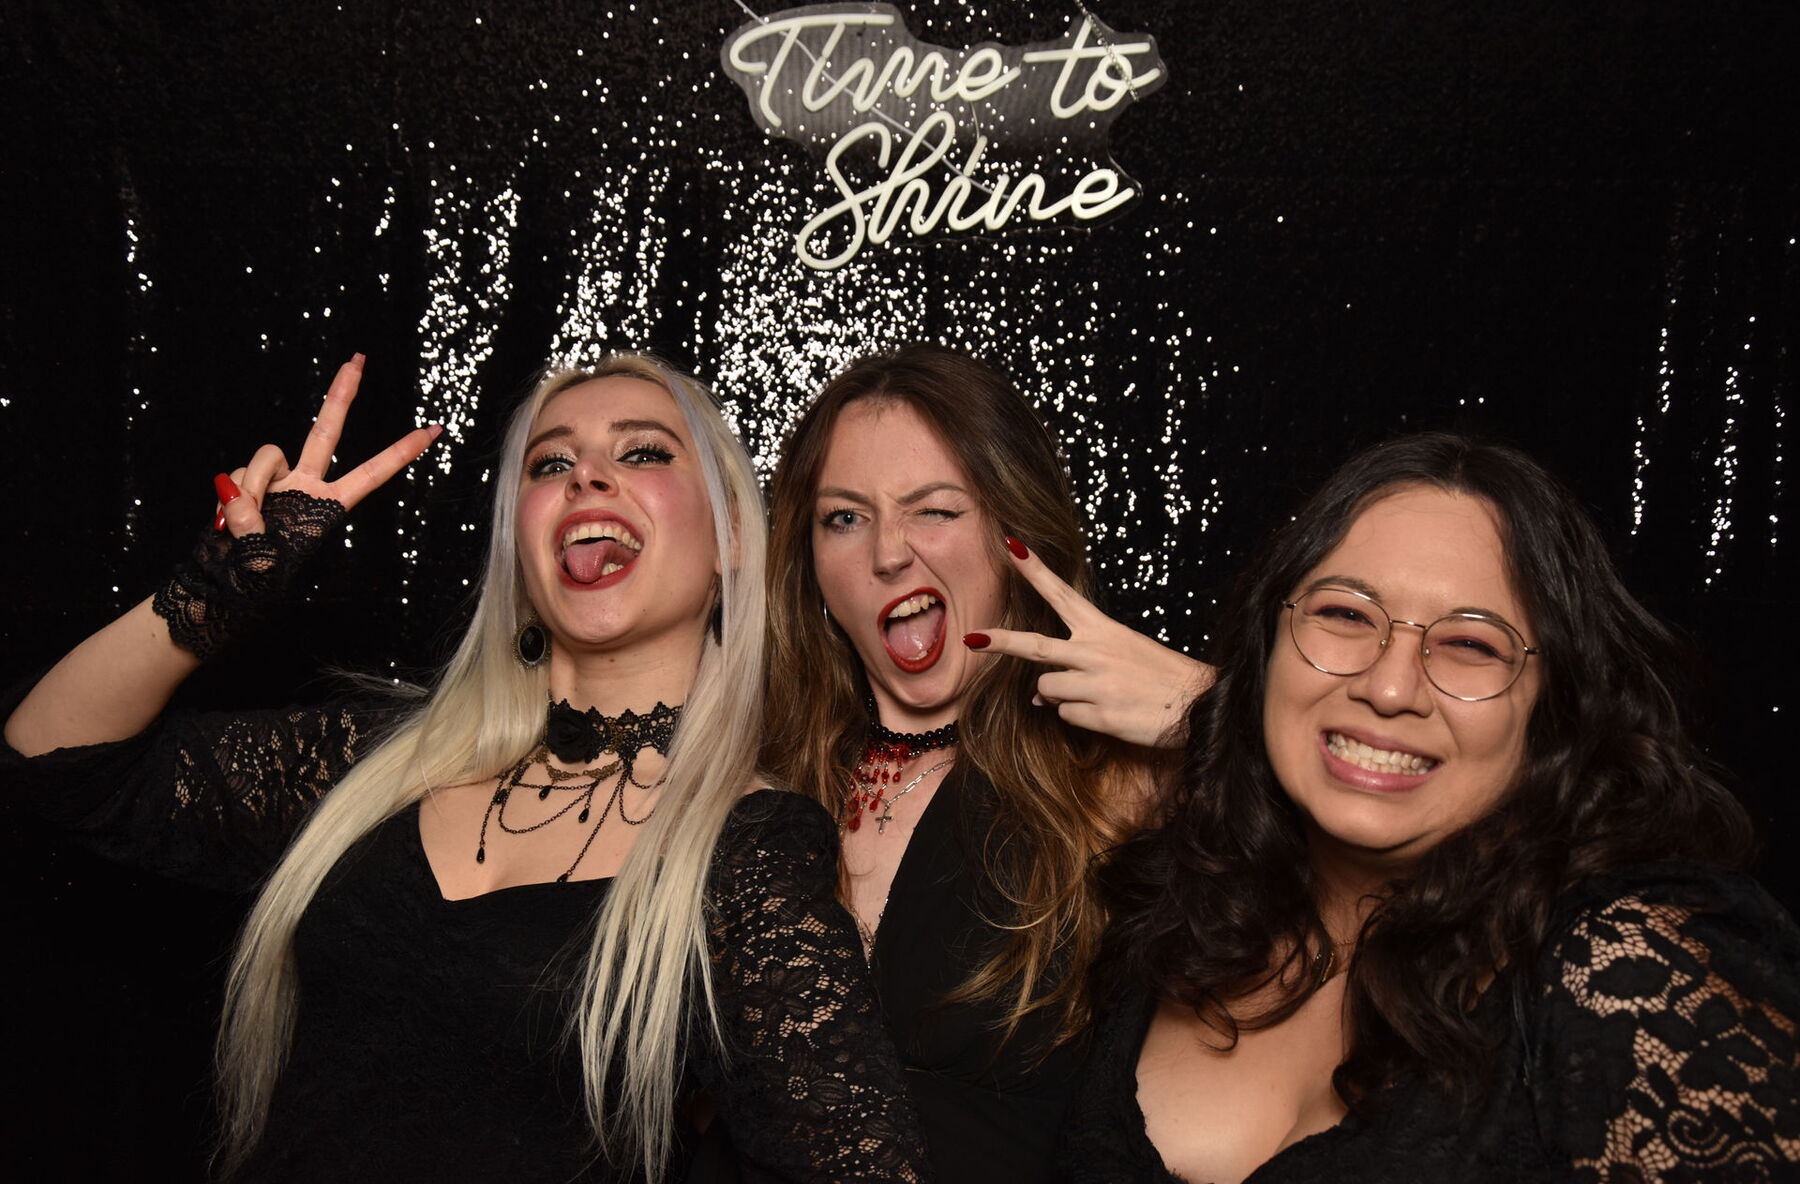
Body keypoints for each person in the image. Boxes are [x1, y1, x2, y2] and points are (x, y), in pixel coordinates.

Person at [3, 353, 927, 1182]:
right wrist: (218, 590)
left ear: (732, 540)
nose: (587, 476)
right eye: (549, 464)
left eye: (643, 452)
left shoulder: (751, 850)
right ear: (517, 547)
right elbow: (52, 761)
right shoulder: (377, 760)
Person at [1063, 433, 1800, 1181]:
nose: (1389, 688)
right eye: (1346, 615)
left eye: (1472, 646)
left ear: (1555, 706)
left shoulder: (1627, 966)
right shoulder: (1169, 906)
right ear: (1267, 644)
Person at [759, 345, 1207, 1183]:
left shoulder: (1118, 786)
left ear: (1014, 535)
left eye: (934, 510)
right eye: (844, 518)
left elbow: (1399, 857)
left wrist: (1206, 708)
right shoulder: (756, 779)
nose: (889, 553)